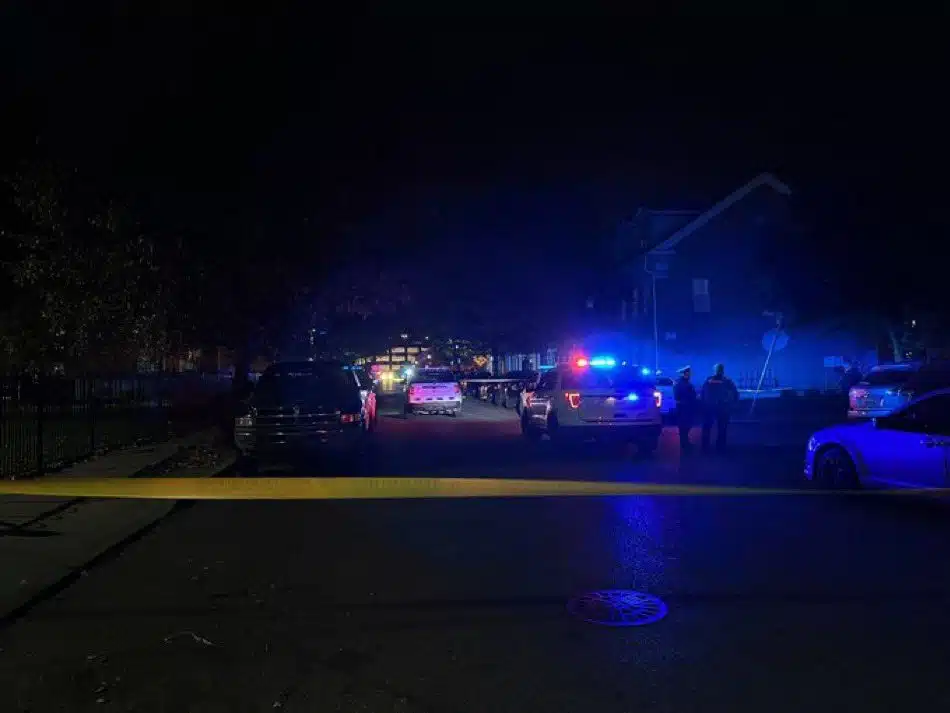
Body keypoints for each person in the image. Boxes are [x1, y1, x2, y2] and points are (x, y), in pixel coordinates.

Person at [701, 363, 739, 452]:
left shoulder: (708, 380)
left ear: (714, 370)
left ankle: (705, 447)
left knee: (707, 427)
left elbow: (703, 394)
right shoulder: (727, 381)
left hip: (710, 408)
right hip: (722, 408)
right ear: (722, 370)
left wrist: (704, 405)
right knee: (722, 428)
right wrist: (733, 404)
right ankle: (720, 448)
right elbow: (735, 393)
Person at [673, 366, 697, 450]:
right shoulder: (680, 383)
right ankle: (684, 444)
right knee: (683, 427)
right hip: (683, 408)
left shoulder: (686, 383)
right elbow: (677, 396)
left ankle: (685, 442)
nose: (689, 375)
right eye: (688, 373)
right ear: (684, 374)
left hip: (688, 407)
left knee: (686, 426)